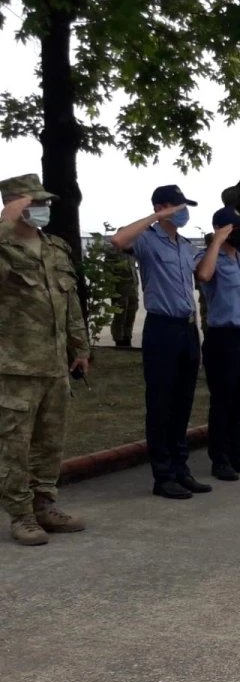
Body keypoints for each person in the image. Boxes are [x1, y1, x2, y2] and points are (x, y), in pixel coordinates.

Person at [0, 174, 90, 544]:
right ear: (13, 203)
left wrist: (80, 347)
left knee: (50, 442)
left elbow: (69, 303)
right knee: (13, 445)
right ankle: (20, 515)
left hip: (55, 366)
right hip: (13, 367)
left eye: (46, 203)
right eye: (35, 202)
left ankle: (44, 504)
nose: (43, 209)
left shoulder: (55, 248)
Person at [111, 184, 211, 499]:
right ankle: (163, 475)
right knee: (160, 404)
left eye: (184, 207)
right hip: (162, 328)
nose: (182, 212)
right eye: (176, 207)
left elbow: (205, 273)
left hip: (187, 329)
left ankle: (181, 469)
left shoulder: (185, 245)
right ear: (161, 207)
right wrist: (156, 216)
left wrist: (219, 240)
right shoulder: (146, 240)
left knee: (182, 403)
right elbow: (118, 240)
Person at [196, 207, 240, 481]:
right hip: (223, 339)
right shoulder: (207, 258)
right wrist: (216, 240)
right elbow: (203, 276)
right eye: (235, 228)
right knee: (223, 401)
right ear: (222, 228)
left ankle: (237, 453)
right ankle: (220, 459)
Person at [105, 233, 139, 347]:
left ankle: (127, 337)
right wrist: (112, 290)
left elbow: (133, 270)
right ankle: (119, 339)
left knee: (131, 315)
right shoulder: (113, 251)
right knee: (120, 316)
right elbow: (108, 271)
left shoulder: (131, 251)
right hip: (120, 290)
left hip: (132, 289)